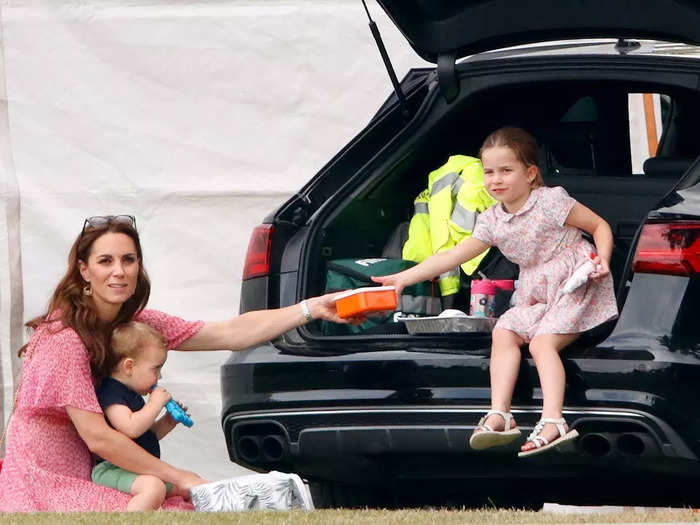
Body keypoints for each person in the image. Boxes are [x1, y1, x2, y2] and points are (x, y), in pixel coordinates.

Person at [0, 214, 353, 511]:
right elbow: (100, 439)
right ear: (84, 270)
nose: (119, 271)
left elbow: (229, 333)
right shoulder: (64, 338)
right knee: (171, 498)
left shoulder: (137, 324)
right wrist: (178, 476)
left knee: (179, 505)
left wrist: (311, 308)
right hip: (44, 477)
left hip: (97, 468)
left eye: (128, 259)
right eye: (105, 261)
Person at [373, 127, 618, 457]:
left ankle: (553, 421)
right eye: (489, 172)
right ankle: (501, 414)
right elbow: (452, 256)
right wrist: (403, 278)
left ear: (530, 173)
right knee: (503, 331)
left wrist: (601, 258)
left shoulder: (550, 202)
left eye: (506, 170)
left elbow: (599, 225)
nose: (495, 179)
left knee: (543, 343)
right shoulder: (492, 220)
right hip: (537, 290)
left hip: (576, 281)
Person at [92, 321, 199, 511]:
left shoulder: (133, 394)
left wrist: (167, 421)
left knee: (191, 482)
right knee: (153, 487)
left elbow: (145, 435)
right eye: (155, 369)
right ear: (129, 366)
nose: (159, 376)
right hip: (112, 468)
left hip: (139, 469)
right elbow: (130, 428)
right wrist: (154, 404)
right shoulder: (112, 391)